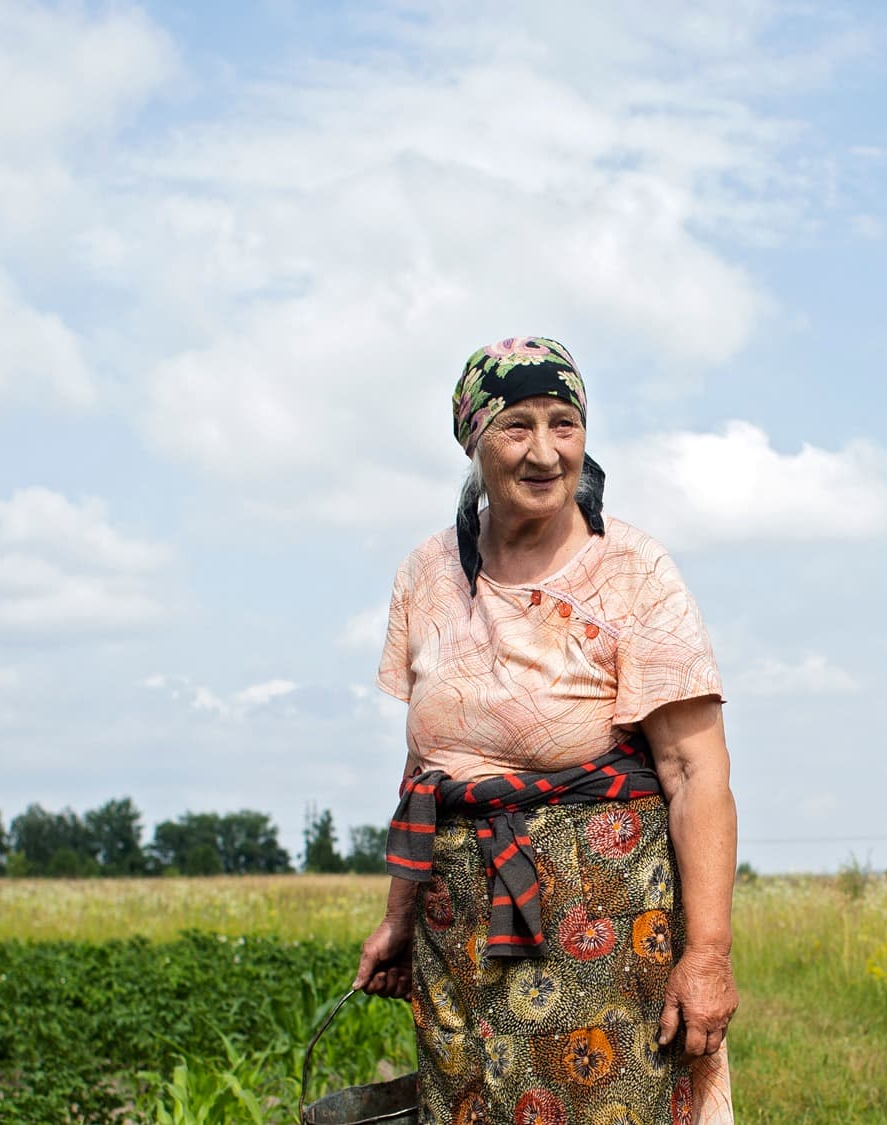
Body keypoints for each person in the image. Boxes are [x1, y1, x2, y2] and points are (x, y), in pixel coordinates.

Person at [353, 337, 738, 1124]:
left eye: (563, 424)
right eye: (516, 425)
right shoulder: (428, 573)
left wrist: (707, 954)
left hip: (602, 926)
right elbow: (425, 765)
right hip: (454, 929)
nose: (543, 452)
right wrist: (397, 916)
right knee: (466, 1105)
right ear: (473, 439)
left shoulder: (632, 568)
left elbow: (699, 775)